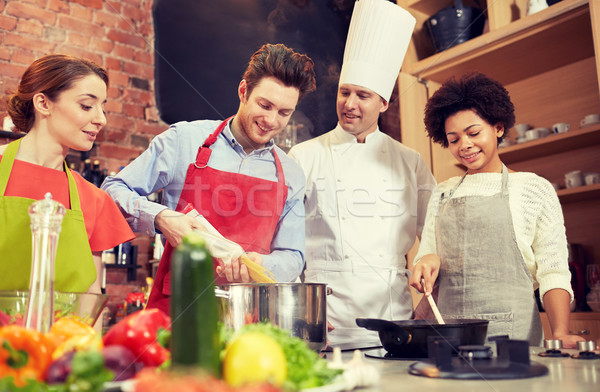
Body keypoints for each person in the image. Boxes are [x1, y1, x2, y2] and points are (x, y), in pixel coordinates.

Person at [102, 43, 316, 314]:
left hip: (249, 318)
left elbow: (293, 256)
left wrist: (260, 265)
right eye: (265, 105)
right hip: (177, 312)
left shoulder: (291, 174)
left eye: (284, 113)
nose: (272, 120)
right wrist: (161, 218)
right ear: (243, 92)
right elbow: (112, 189)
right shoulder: (184, 141)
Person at [288, 0, 436, 347]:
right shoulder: (304, 155)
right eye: (345, 92)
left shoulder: (409, 160)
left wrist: (428, 304)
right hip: (327, 322)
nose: (350, 104)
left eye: (363, 95)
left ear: (383, 103)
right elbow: (287, 243)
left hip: (394, 320)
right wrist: (299, 317)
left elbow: (434, 234)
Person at [409, 72, 584, 348]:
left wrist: (560, 331)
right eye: (453, 139)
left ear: (498, 128)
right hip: (448, 338)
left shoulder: (533, 188)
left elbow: (553, 271)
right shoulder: (442, 191)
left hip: (513, 338)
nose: (464, 145)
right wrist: (427, 263)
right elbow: (429, 251)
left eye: (474, 133)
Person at [0, 54, 135, 294]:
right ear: (43, 103)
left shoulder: (93, 198)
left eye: (103, 108)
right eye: (86, 105)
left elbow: (91, 296)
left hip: (63, 331)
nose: (101, 119)